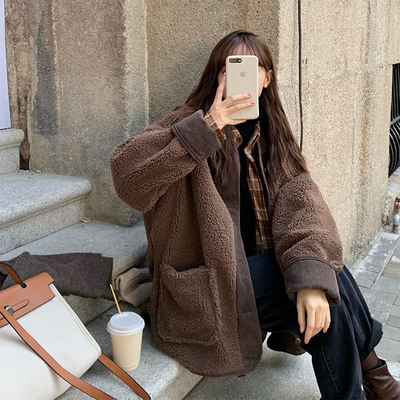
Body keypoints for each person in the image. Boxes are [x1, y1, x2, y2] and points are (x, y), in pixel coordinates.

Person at [110, 30, 400, 399]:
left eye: (252, 68)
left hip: (251, 275)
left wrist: (312, 280)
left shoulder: (272, 134)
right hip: (207, 288)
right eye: (229, 68)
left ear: (266, 78)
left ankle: (374, 382)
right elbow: (128, 179)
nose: (239, 77)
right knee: (327, 286)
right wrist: (208, 127)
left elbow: (304, 206)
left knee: (323, 279)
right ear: (217, 75)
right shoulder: (185, 125)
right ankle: (378, 380)